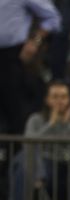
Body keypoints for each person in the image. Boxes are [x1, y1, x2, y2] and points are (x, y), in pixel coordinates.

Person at [0, 0, 61, 134]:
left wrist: (35, 41)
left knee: (15, 113)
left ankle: (17, 153)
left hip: (13, 56)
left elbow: (53, 18)